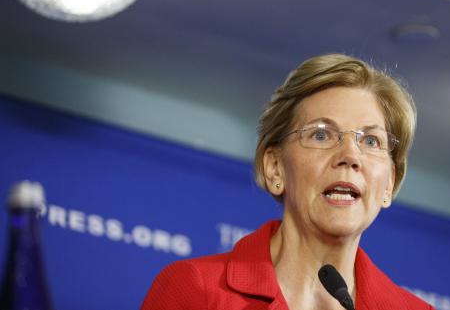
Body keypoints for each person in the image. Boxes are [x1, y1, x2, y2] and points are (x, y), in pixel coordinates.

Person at [140, 53, 434, 310]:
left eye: (371, 140)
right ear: (275, 168)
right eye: (321, 135)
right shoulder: (194, 290)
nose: (350, 155)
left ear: (389, 184)